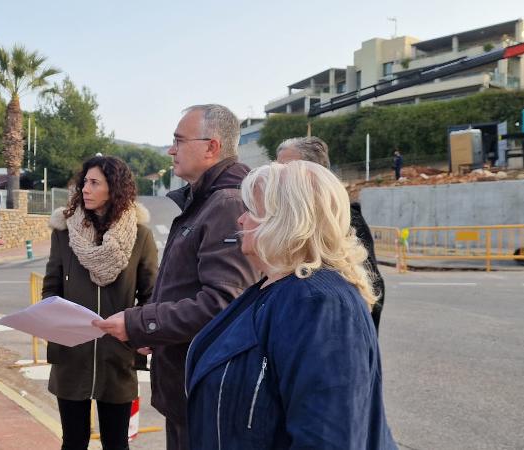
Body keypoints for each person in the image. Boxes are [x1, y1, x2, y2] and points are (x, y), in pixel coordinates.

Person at [185, 161, 397, 449]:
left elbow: (327, 438)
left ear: (287, 219)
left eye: (252, 211)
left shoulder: (319, 303)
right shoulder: (277, 288)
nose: (241, 220)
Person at [92, 104, 260, 449]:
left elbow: (223, 303)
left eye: (179, 141)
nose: (171, 150)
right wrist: (157, 330)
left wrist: (143, 323)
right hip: (188, 387)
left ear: (211, 147)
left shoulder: (226, 203)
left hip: (204, 392)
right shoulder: (206, 201)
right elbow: (185, 287)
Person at [43, 155, 159, 450]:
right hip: (72, 356)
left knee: (117, 444)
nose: (85, 189)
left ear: (114, 188)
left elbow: (150, 294)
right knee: (73, 442)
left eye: (95, 183)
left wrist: (146, 333)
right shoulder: (64, 234)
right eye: (84, 182)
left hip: (118, 356)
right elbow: (51, 289)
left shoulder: (140, 236)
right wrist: (50, 322)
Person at [277, 136, 387, 330]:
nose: (278, 177)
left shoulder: (344, 218)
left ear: (314, 172)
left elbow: (370, 284)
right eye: (278, 169)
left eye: (287, 169)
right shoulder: (286, 218)